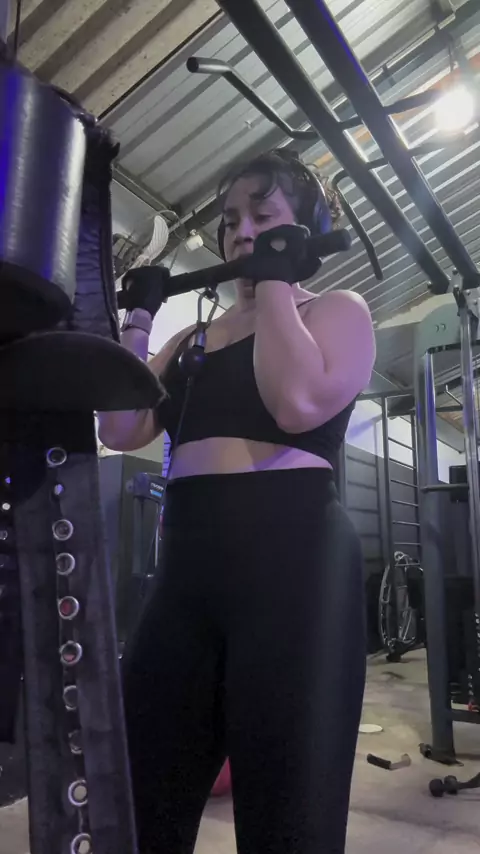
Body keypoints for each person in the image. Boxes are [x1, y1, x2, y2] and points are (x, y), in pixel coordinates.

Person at [98, 150, 376, 854]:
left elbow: (295, 403)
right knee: (140, 779)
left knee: (288, 798)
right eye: (229, 220)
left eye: (262, 214)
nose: (241, 231)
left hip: (295, 562)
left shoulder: (336, 312)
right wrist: (139, 317)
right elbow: (119, 427)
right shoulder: (193, 339)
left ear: (304, 228)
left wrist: (276, 283)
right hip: (190, 565)